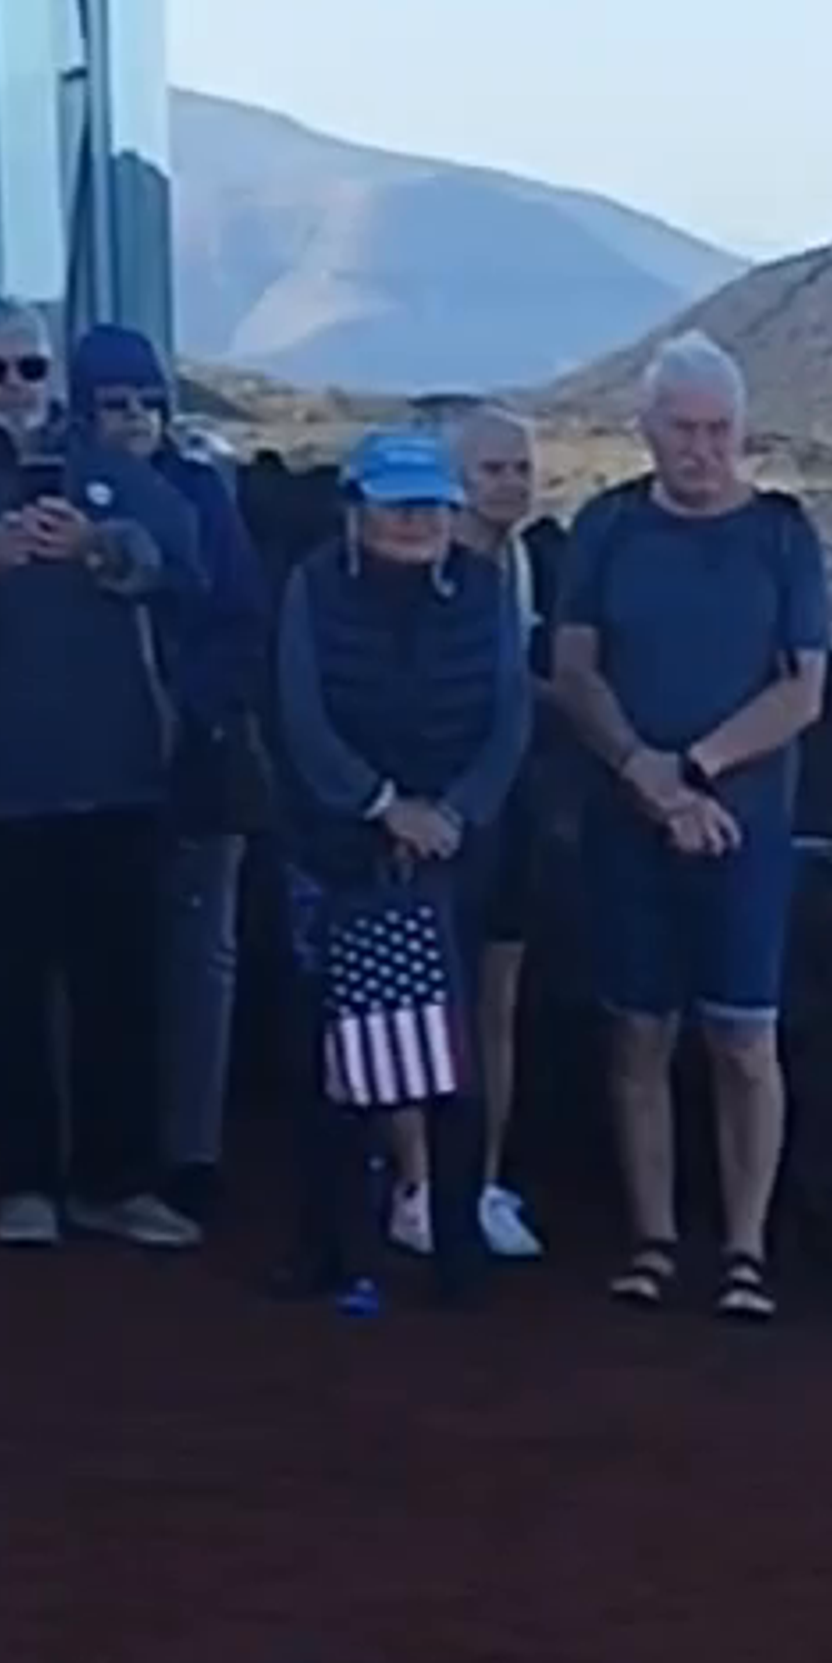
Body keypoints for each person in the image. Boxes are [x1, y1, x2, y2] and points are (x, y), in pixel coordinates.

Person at [0, 295, 201, 1253]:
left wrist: (98, 548)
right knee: (3, 993)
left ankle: (116, 1181)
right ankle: (22, 1182)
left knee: (121, 992)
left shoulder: (107, 469)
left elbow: (186, 559)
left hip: (119, 768)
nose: (16, 390)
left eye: (30, 369)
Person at [546, 335, 832, 1318]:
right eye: (685, 429)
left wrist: (699, 770)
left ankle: (746, 1248)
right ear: (648, 429)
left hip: (746, 828)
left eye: (720, 431)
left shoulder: (784, 535)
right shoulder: (607, 529)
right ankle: (653, 1238)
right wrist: (646, 777)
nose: (704, 450)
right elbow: (574, 668)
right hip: (628, 822)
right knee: (637, 1033)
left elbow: (803, 690)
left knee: (745, 1038)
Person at [266, 423, 531, 1306]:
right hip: (338, 853)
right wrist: (382, 806)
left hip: (455, 854)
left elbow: (509, 718)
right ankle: (334, 1250)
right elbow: (300, 714)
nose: (417, 521)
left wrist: (453, 813)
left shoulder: (489, 592)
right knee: (336, 1059)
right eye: (398, 504)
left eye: (432, 505)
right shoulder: (311, 588)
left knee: (452, 1055)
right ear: (357, 510)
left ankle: (457, 1251)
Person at [68, 324, 264, 1214]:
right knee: (96, 958)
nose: (136, 418)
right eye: (115, 404)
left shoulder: (204, 495)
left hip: (193, 755)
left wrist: (197, 708)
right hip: (89, 762)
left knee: (200, 957)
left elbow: (239, 616)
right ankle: (99, 1147)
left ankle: (193, 1151)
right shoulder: (56, 493)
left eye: (149, 401)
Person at [432, 401, 571, 1261]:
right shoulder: (433, 569)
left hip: (509, 803)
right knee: (429, 994)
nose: (513, 483)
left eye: (522, 467)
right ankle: (420, 1179)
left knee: (496, 993)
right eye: (494, 469)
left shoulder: (518, 562)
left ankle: (477, 1177)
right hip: (441, 807)